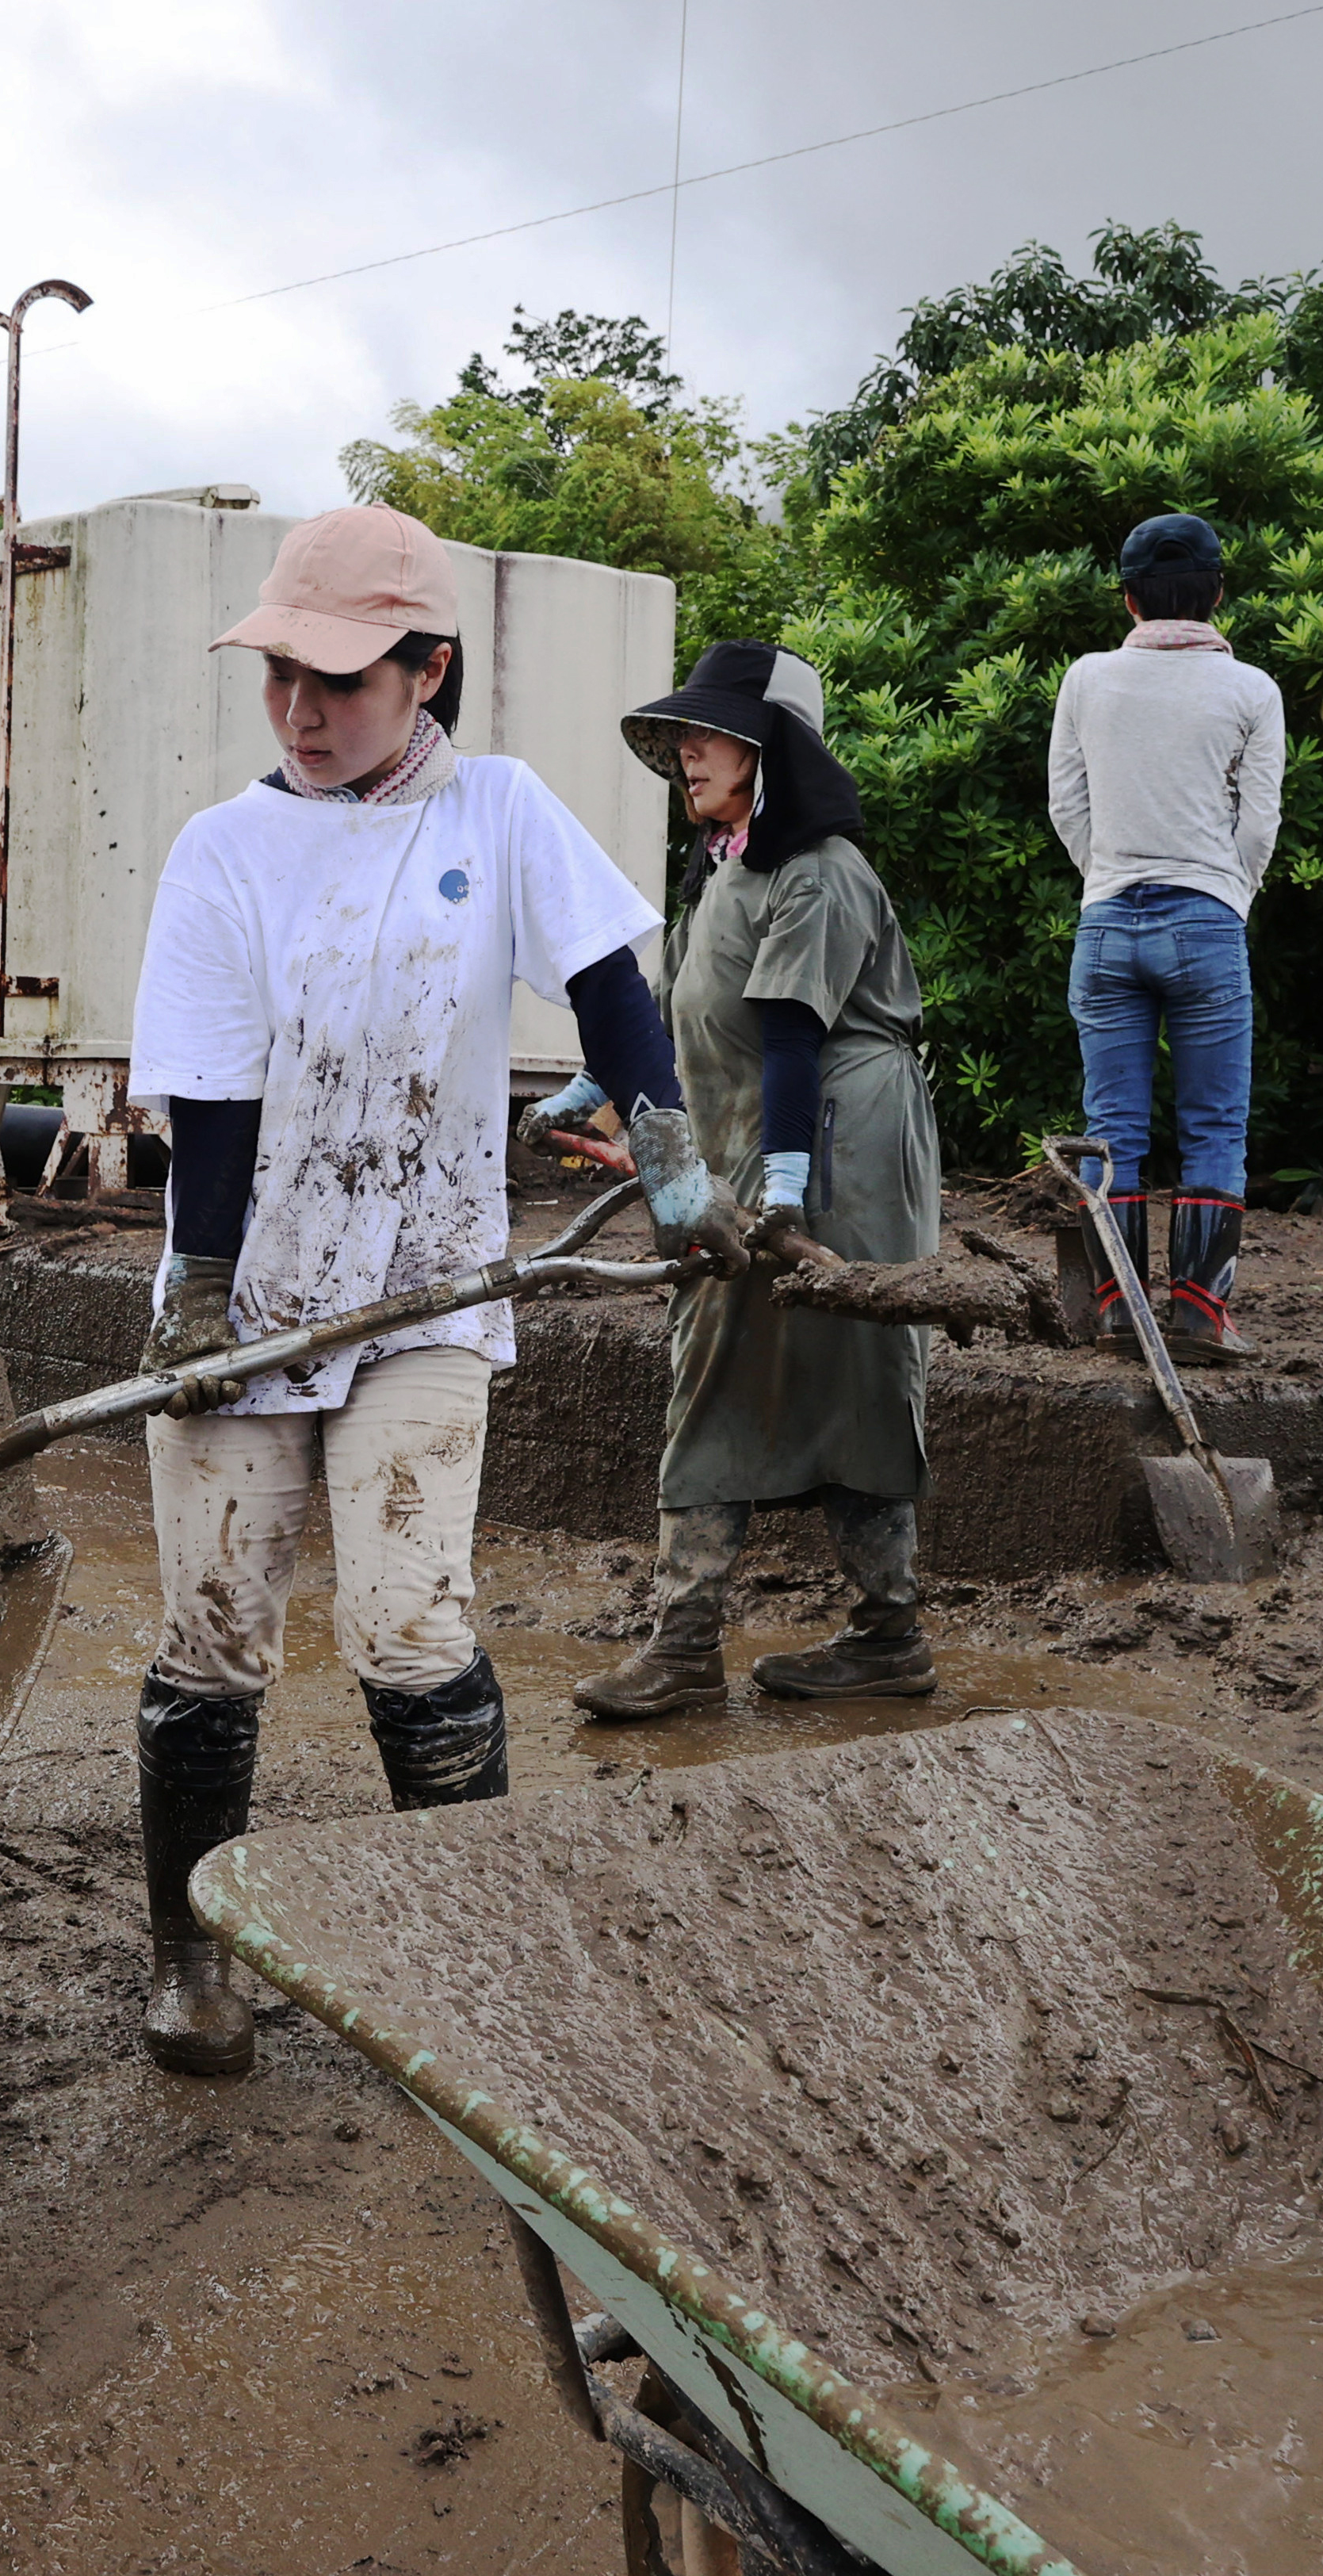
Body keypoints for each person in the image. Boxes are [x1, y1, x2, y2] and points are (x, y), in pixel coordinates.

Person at [122, 503, 740, 2077]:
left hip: (428, 1291)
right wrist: (197, 1288)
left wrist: (666, 1157)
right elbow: (208, 1098)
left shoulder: (501, 814)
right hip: (239, 1297)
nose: (300, 709)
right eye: (279, 677)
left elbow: (609, 987)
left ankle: (464, 1974)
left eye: (335, 679)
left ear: (426, 670)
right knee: (209, 1631)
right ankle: (192, 1958)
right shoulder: (220, 850)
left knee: (407, 1622)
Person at [566, 641, 942, 1720]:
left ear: (772, 747)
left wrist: (781, 1195)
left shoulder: (819, 872)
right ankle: (716, 1638)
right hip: (759, 1139)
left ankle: (864, 1637)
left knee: (847, 1374)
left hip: (835, 1144)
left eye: (712, 732)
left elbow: (786, 1037)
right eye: (682, 733)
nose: (687, 750)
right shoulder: (726, 867)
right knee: (717, 1356)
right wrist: (585, 1091)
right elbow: (686, 1005)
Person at [1047, 511, 1283, 1363]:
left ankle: (1116, 1312)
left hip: (1105, 919)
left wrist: (1103, 876)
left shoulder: (1085, 677)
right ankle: (1197, 1316)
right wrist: (1226, 895)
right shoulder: (1250, 689)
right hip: (1206, 918)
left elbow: (1064, 802)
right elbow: (1257, 823)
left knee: (1110, 1124)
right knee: (1214, 1123)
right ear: (1218, 594)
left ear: (1127, 597)